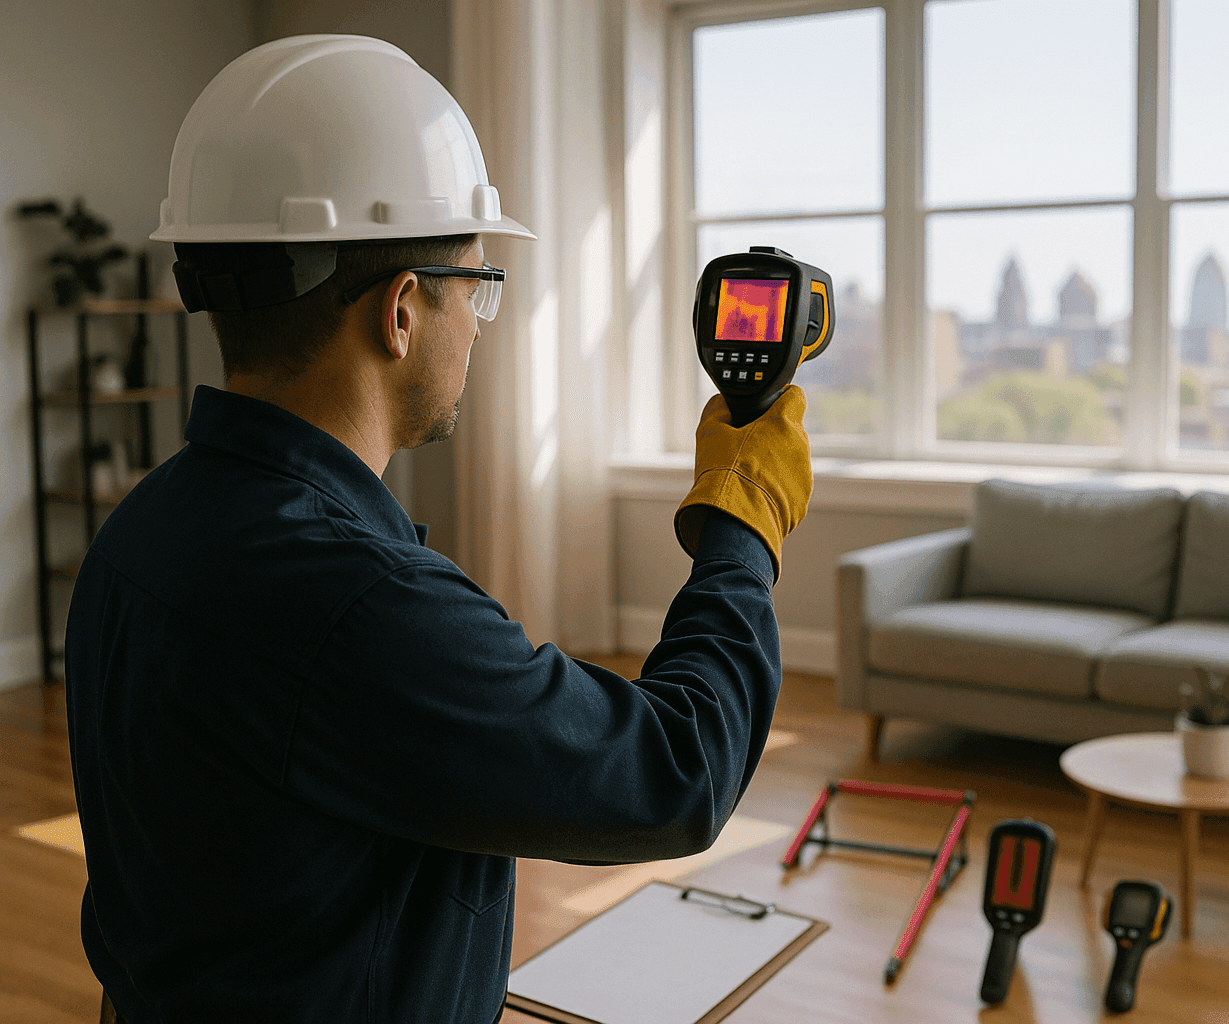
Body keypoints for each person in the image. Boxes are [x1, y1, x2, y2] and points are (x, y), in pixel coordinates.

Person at [65, 35, 812, 1024]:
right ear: (403, 310)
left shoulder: (137, 537)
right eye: (478, 284)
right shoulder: (359, 605)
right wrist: (739, 521)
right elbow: (678, 768)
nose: (478, 319)